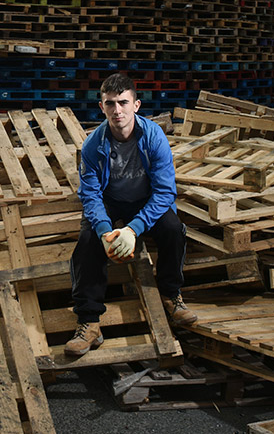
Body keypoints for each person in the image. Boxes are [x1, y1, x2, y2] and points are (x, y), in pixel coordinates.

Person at [65, 73, 196, 356]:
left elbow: (165, 192)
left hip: (145, 201)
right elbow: (89, 194)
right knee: (87, 243)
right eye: (110, 104)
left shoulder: (153, 137)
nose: (117, 110)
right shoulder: (92, 145)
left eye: (123, 102)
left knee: (174, 229)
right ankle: (88, 321)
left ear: (136, 105)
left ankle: (171, 295)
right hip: (110, 202)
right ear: (102, 107)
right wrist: (104, 231)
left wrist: (134, 229)